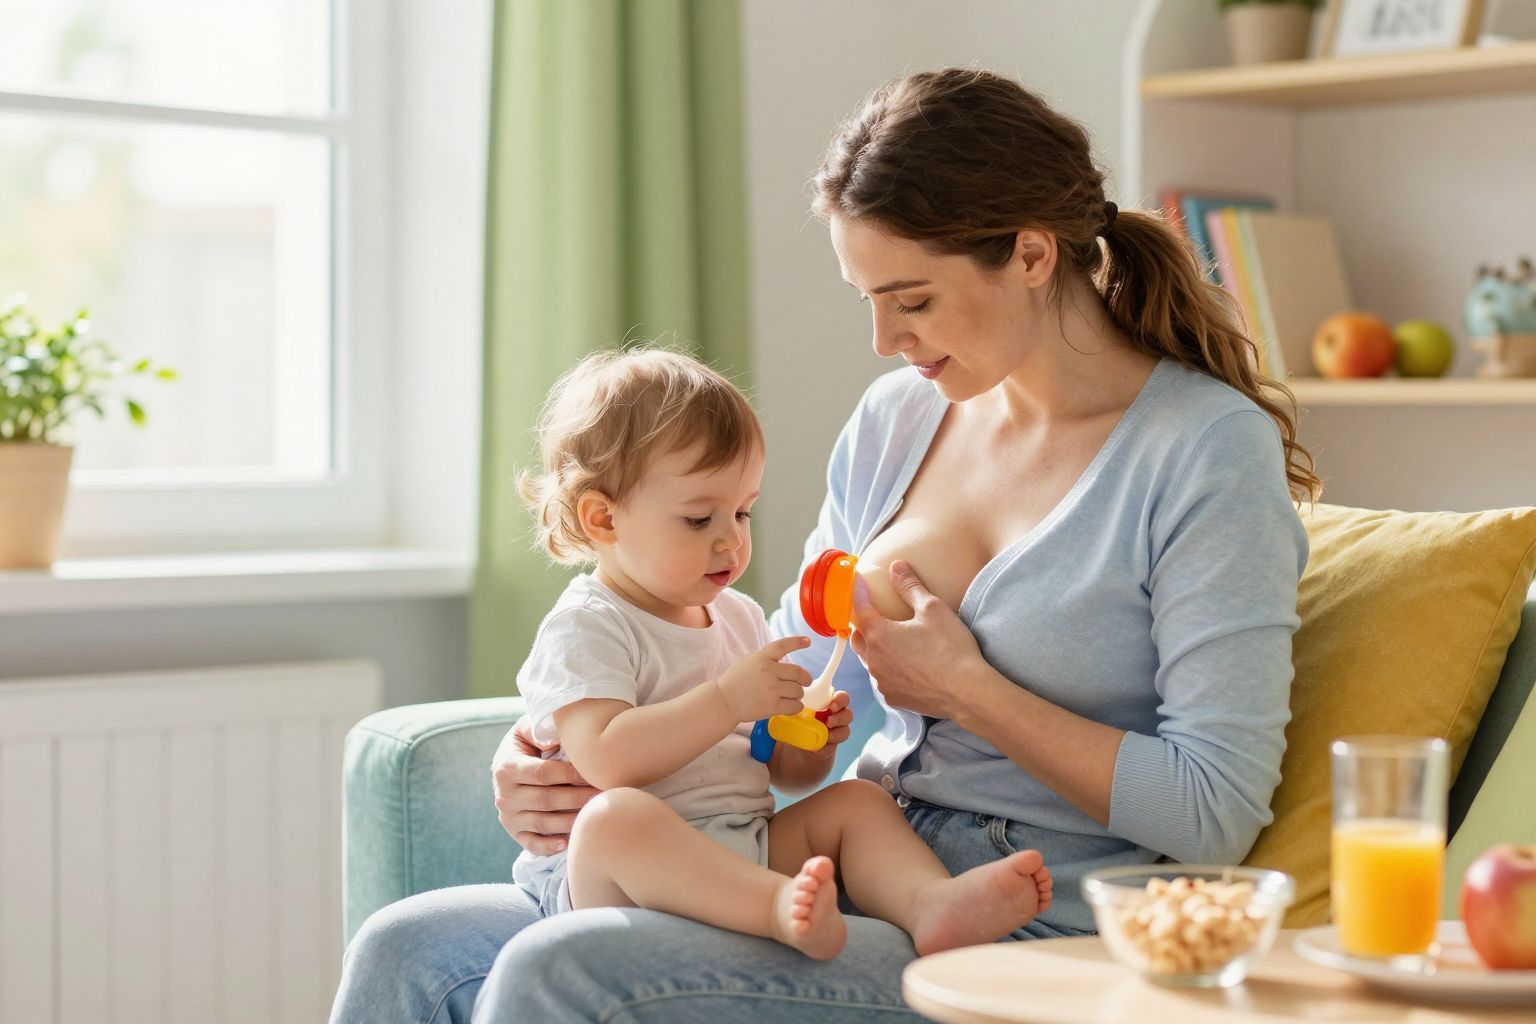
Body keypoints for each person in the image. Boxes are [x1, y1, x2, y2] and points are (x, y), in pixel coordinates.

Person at [330, 67, 1320, 1023]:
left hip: (1036, 916)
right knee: (407, 949)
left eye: (915, 299)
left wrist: (969, 688)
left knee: (563, 969)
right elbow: (787, 693)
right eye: (869, 298)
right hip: (836, 862)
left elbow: (1213, 808)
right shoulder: (898, 419)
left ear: (1029, 251)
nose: (887, 339)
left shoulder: (1200, 451)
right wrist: (554, 747)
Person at [506, 347, 1052, 961]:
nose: (731, 540)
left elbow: (779, 772)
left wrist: (811, 738)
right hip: (614, 876)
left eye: (742, 512)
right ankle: (773, 908)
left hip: (744, 845)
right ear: (603, 519)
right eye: (697, 519)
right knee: (616, 818)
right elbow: (608, 760)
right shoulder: (588, 625)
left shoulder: (736, 616)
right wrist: (725, 700)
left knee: (857, 803)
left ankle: (931, 904)